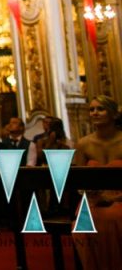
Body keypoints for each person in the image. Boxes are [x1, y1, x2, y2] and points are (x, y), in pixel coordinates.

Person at [71, 95, 122, 269]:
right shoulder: (83, 144)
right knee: (86, 221)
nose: (94, 113)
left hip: (120, 199)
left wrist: (115, 199)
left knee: (114, 217)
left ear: (114, 114)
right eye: (91, 109)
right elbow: (79, 181)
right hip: (93, 200)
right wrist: (89, 193)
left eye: (100, 109)